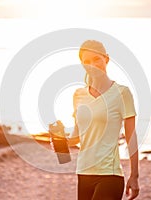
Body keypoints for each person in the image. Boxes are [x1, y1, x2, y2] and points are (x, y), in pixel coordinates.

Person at [51, 40, 139, 200]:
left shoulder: (122, 93)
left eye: (96, 59)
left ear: (106, 59)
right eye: (87, 61)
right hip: (83, 173)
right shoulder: (78, 95)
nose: (92, 65)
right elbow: (77, 138)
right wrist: (59, 140)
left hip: (109, 175)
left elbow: (131, 137)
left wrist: (134, 176)